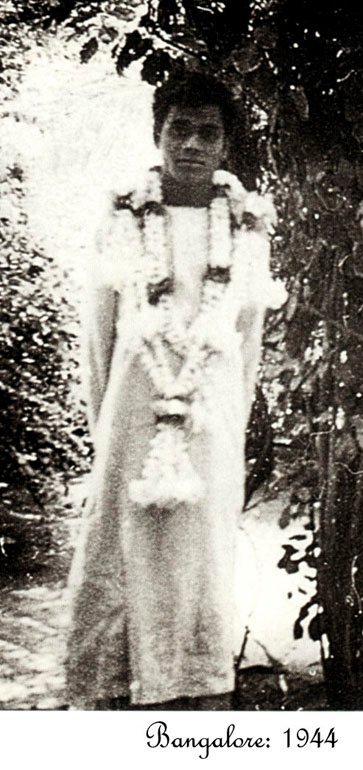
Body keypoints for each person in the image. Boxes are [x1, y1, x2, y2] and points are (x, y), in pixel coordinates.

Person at [64, 72, 284, 710]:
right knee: (122, 533)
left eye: (207, 133)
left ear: (225, 144)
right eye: (179, 129)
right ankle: (116, 680)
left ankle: (194, 680)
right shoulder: (122, 215)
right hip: (134, 401)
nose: (191, 144)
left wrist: (230, 418)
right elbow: (99, 334)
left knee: (200, 538)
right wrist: (107, 423)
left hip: (212, 404)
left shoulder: (246, 225)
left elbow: (248, 338)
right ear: (157, 133)